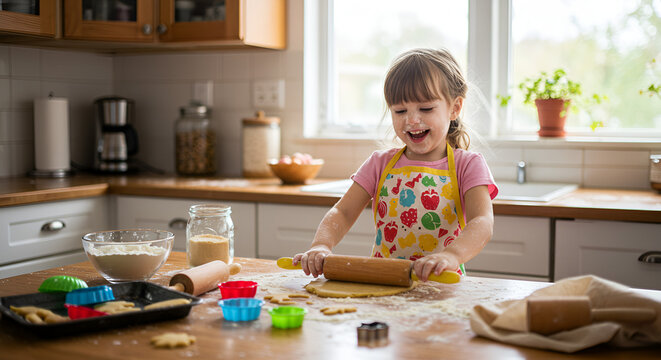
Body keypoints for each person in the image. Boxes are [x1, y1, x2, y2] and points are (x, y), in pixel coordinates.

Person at [293, 48, 498, 282]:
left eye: (426, 108)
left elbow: (482, 221)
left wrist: (451, 255)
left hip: (442, 287)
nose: (411, 120)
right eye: (400, 111)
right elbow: (343, 211)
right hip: (384, 282)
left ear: (455, 108)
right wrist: (321, 244)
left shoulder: (467, 165)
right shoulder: (379, 163)